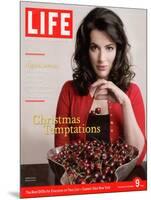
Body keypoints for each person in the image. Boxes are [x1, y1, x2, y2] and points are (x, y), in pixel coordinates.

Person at [54, 7, 146, 164]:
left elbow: (137, 158)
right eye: (94, 48)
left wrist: (125, 103)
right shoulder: (68, 91)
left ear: (118, 50)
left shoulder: (131, 92)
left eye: (109, 48)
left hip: (121, 184)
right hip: (80, 182)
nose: (102, 58)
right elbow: (61, 152)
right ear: (85, 50)